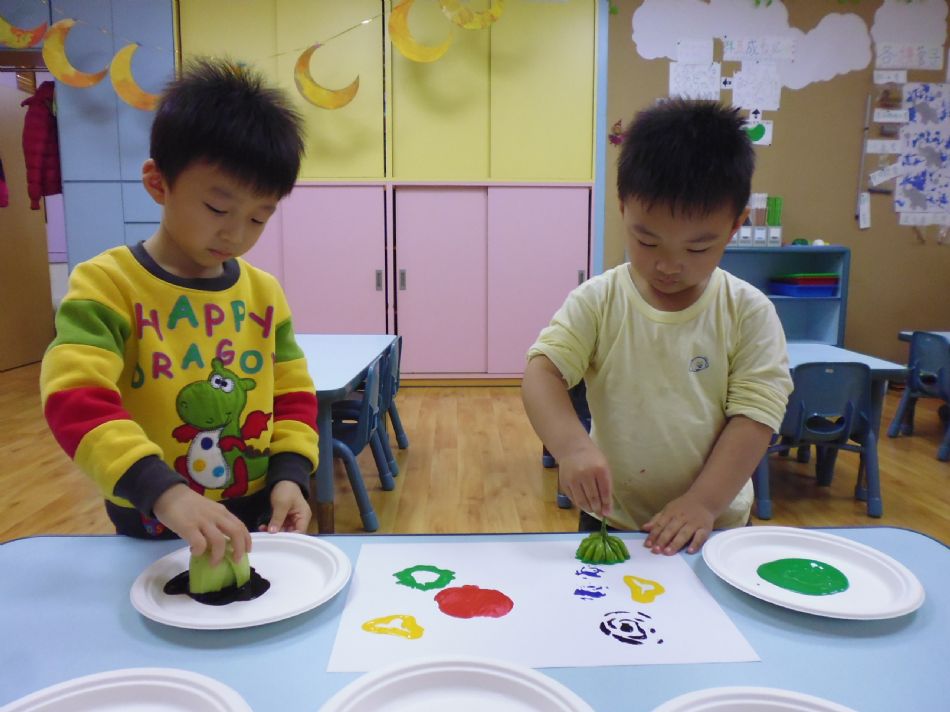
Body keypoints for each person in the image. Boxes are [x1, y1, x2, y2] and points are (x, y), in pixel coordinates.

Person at [40, 59, 317, 566]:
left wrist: (291, 475)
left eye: (259, 217)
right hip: (154, 512)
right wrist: (162, 491)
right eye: (217, 209)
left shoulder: (264, 293)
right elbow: (74, 399)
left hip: (255, 506)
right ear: (158, 183)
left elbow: (293, 392)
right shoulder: (106, 285)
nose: (235, 234)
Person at [522, 98, 793, 556]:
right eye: (646, 240)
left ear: (735, 227)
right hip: (612, 517)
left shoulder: (748, 312)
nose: (668, 265)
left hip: (712, 524)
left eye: (697, 248)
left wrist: (703, 502)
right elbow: (541, 372)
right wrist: (572, 448)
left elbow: (754, 418)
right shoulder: (599, 300)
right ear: (623, 208)